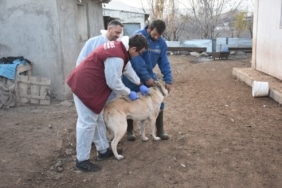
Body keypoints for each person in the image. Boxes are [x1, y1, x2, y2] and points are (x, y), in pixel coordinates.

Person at [66, 34, 149, 172]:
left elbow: (127, 69)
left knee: (97, 118)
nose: (139, 55)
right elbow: (113, 82)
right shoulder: (117, 55)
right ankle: (82, 160)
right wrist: (129, 92)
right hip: (84, 86)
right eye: (140, 53)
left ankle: (103, 151)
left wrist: (139, 83)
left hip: (91, 85)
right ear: (133, 48)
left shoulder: (122, 50)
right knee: (87, 122)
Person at [122, 19, 173, 141]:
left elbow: (164, 61)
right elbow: (136, 60)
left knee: (158, 101)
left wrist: (168, 79)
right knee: (131, 100)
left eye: (159, 35)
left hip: (149, 73)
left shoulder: (161, 43)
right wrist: (146, 77)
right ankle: (130, 131)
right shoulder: (138, 37)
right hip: (132, 73)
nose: (156, 37)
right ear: (149, 28)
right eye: (154, 34)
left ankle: (159, 130)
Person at [75, 20, 123, 145]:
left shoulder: (116, 46)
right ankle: (84, 155)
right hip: (90, 88)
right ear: (109, 28)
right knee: (88, 121)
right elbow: (81, 63)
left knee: (100, 118)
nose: (118, 35)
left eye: (120, 33)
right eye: (117, 32)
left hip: (104, 90)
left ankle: (103, 147)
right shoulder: (93, 42)